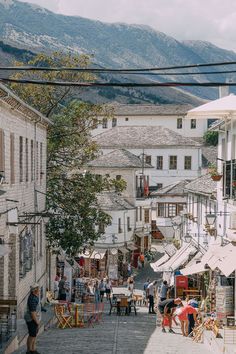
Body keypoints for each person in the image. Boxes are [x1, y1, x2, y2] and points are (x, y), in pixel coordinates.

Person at [24, 284, 41, 354]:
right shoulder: (33, 299)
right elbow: (32, 313)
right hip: (31, 319)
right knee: (32, 335)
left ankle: (32, 349)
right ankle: (30, 350)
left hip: (33, 318)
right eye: (38, 289)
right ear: (35, 291)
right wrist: (37, 322)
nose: (39, 290)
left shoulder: (35, 296)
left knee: (33, 334)